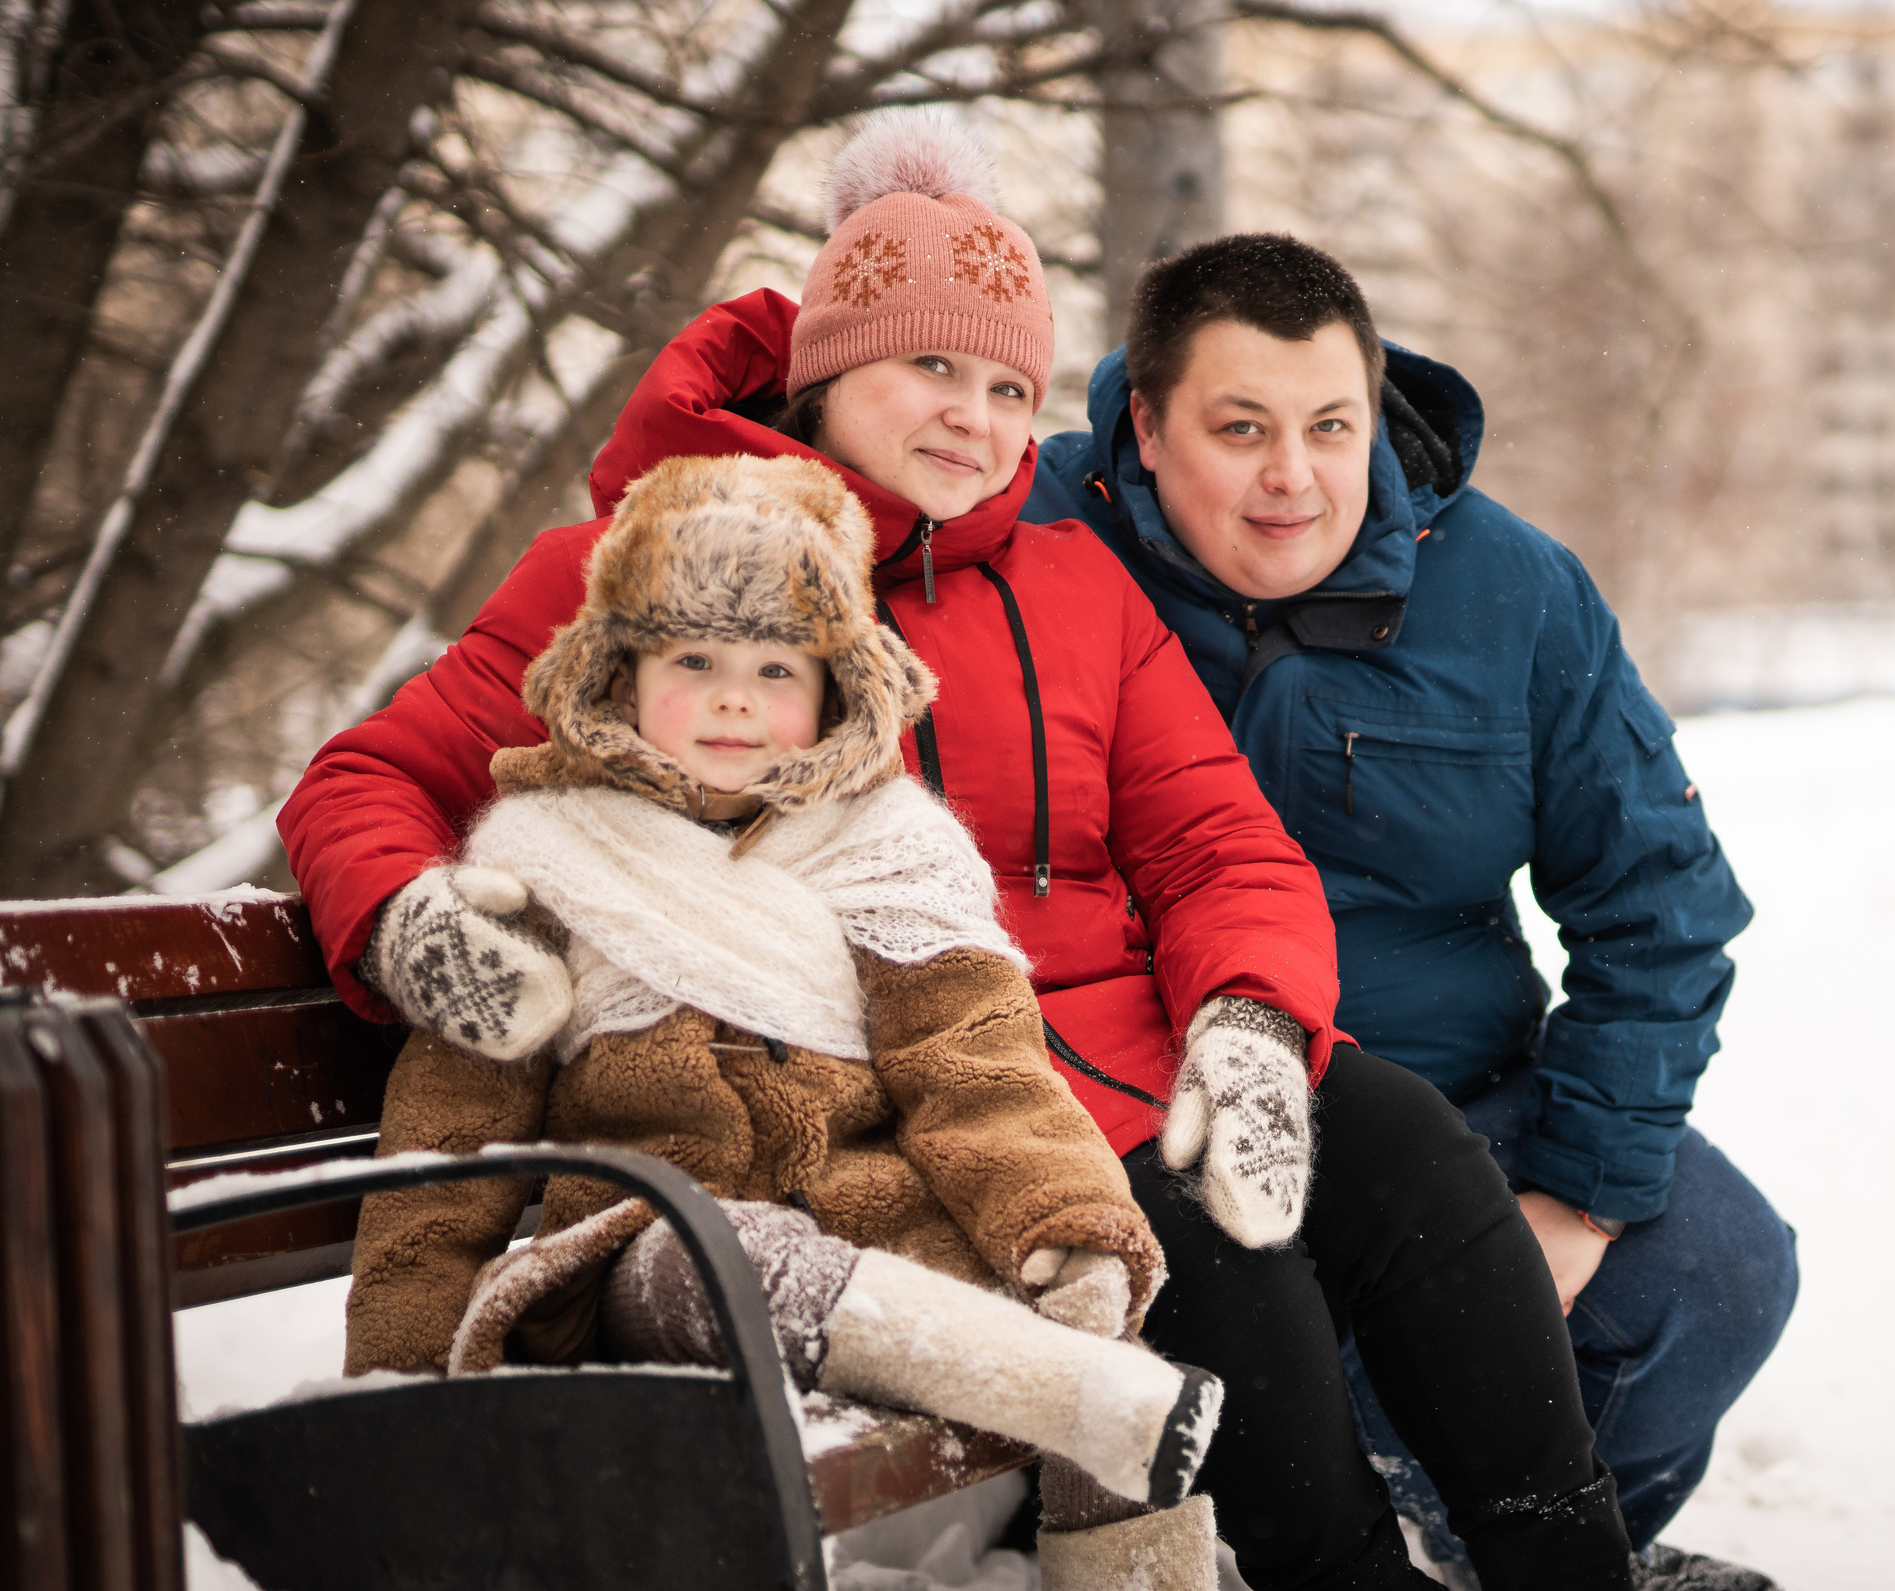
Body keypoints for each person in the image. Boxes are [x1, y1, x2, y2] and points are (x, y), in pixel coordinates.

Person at [278, 117, 1636, 1590]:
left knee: (1413, 1151)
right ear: (824, 365)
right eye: (928, 365)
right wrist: (412, 922)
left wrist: (1250, 1023)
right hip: (907, 1107)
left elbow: (1217, 843)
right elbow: (368, 778)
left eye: (1007, 385)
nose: (972, 416)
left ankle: (1569, 1562)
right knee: (1221, 1267)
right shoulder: (645, 570)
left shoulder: (1068, 580)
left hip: (1127, 1046)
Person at [1018, 235, 1802, 1589]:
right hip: (1137, 1114)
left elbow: (1661, 900)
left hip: (1445, 1103)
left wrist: (1576, 1197)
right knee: (1225, 1317)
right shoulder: (1028, 542)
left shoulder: (1510, 589)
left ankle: (1481, 1527)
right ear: (1143, 425)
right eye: (1240, 427)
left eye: (1333, 424)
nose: (1295, 475)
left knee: (1714, 1268)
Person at [338, 451, 1225, 1577]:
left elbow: (980, 1066)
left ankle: (1113, 1485)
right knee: (725, 1248)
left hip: (893, 1256)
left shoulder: (894, 858)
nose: (731, 700)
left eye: (773, 667)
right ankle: (1073, 1392)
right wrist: (393, 1390)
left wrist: (1066, 1229)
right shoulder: (545, 867)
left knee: (1108, 1349)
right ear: (618, 674)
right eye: (692, 658)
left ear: (833, 694)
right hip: (646, 1266)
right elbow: (446, 1147)